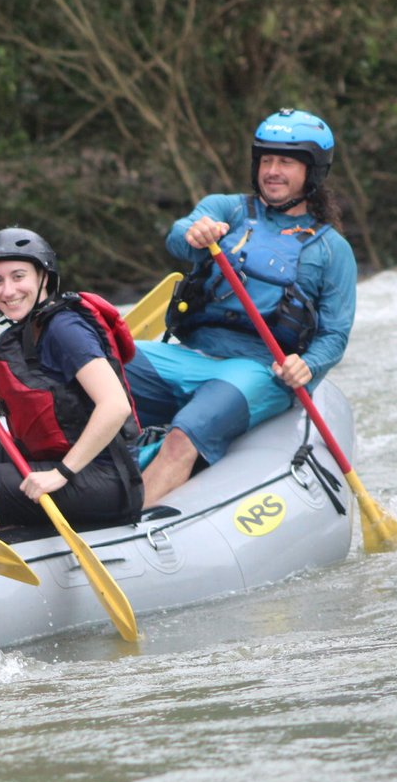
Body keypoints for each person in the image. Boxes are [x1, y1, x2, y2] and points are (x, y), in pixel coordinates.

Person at [128, 107, 358, 504]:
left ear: (312, 172)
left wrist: (309, 365)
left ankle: (125, 529)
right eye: (266, 160)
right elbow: (179, 235)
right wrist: (196, 233)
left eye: (286, 162)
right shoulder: (227, 210)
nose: (272, 170)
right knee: (98, 364)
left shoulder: (331, 249)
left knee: (185, 434)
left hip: (259, 370)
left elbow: (334, 335)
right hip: (189, 355)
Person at [0, 228, 143, 534]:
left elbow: (115, 405)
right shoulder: (35, 324)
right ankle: (16, 538)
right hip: (53, 458)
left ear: (43, 278)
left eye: (18, 276)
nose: (8, 291)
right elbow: (5, 365)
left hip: (100, 476)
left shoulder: (66, 329)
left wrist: (61, 473)